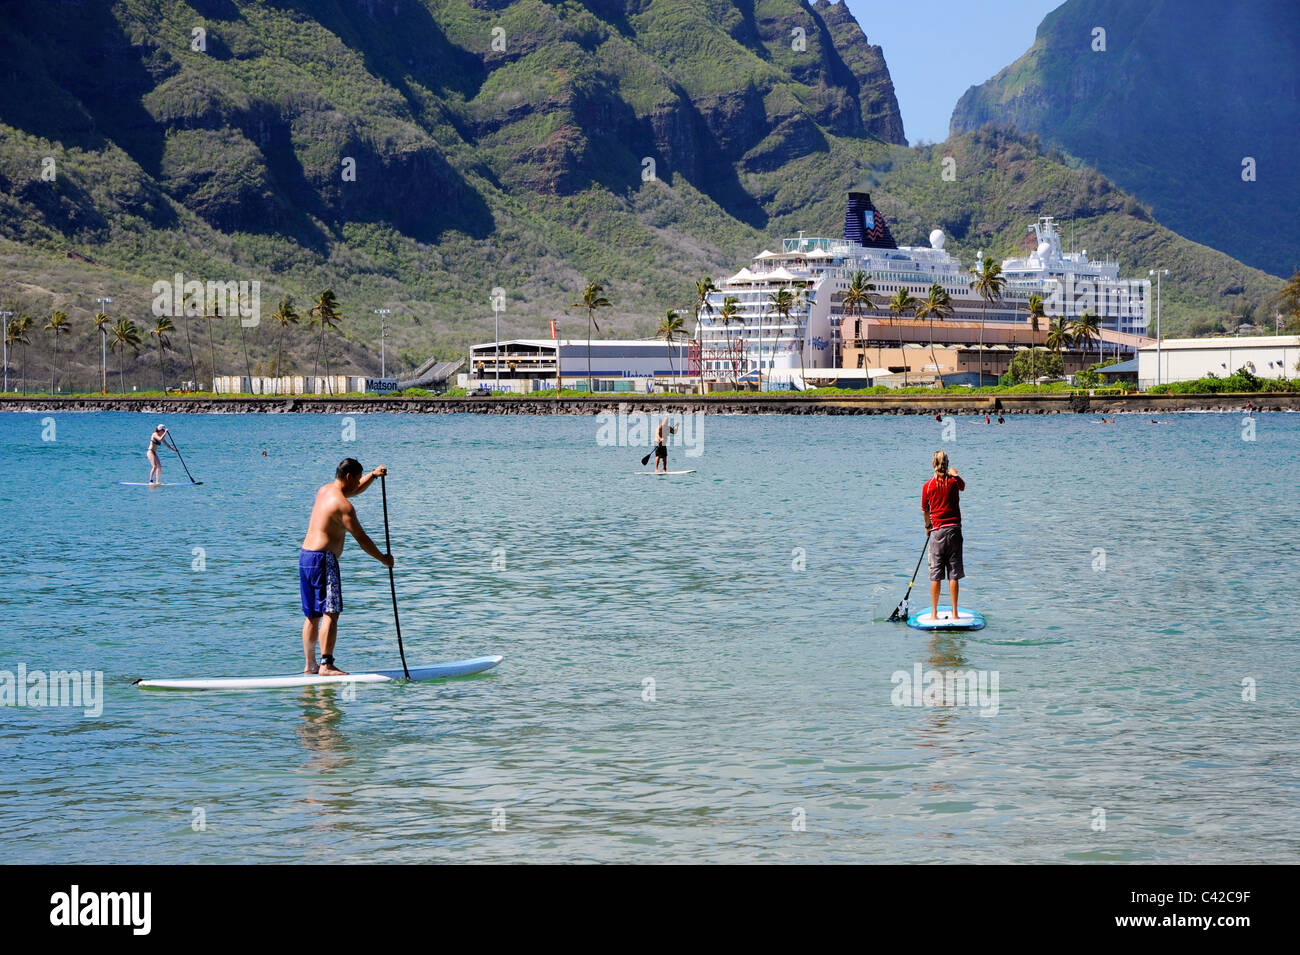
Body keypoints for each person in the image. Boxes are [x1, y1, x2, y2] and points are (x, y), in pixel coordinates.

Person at [299, 459, 393, 676]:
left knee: (312, 615)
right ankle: (326, 665)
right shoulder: (344, 507)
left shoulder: (325, 491)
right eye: (358, 478)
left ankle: (310, 665)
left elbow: (353, 490)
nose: (360, 482)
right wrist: (383, 559)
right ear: (349, 477)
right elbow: (362, 539)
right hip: (324, 561)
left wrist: (373, 475)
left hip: (306, 557)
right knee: (331, 612)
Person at [922, 450, 965, 622]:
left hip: (937, 532)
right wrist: (955, 473)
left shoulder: (928, 485)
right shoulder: (954, 482)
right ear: (947, 464)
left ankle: (934, 613)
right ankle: (954, 613)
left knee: (936, 574)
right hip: (954, 531)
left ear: (933, 464)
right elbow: (963, 486)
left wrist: (927, 527)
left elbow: (926, 510)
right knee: (953, 574)